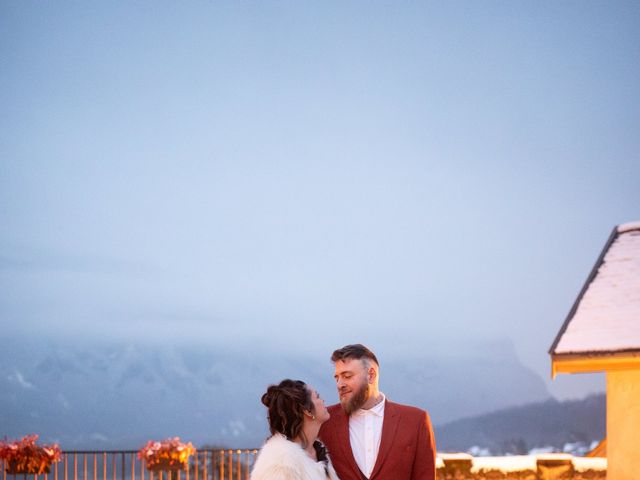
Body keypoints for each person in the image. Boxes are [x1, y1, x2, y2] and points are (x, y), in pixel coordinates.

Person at [319, 344, 436, 480]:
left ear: (371, 375)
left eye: (347, 376)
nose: (340, 384)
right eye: (337, 378)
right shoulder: (324, 421)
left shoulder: (416, 420)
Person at [251, 379, 340, 480]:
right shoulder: (280, 462)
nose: (323, 400)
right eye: (317, 396)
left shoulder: (319, 453)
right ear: (307, 411)